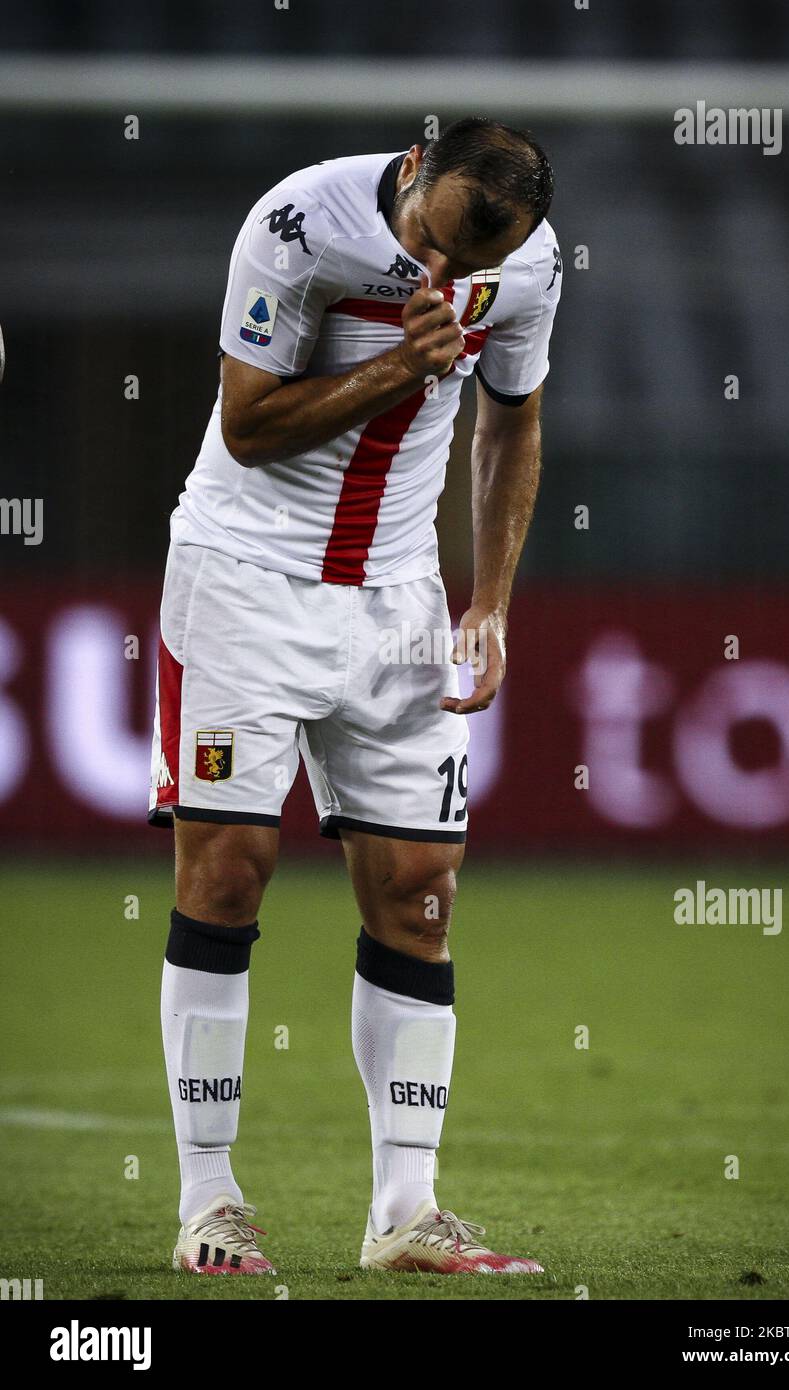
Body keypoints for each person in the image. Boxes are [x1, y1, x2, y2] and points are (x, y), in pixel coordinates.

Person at [149, 117, 562, 1275]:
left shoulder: (530, 264)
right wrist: (401, 361)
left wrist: (490, 601)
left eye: (472, 269)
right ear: (417, 167)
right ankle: (207, 1203)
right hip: (247, 584)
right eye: (434, 246)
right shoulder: (298, 222)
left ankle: (405, 1213)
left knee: (422, 893)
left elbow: (512, 418)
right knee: (226, 873)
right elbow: (248, 423)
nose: (447, 279)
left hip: (398, 604)